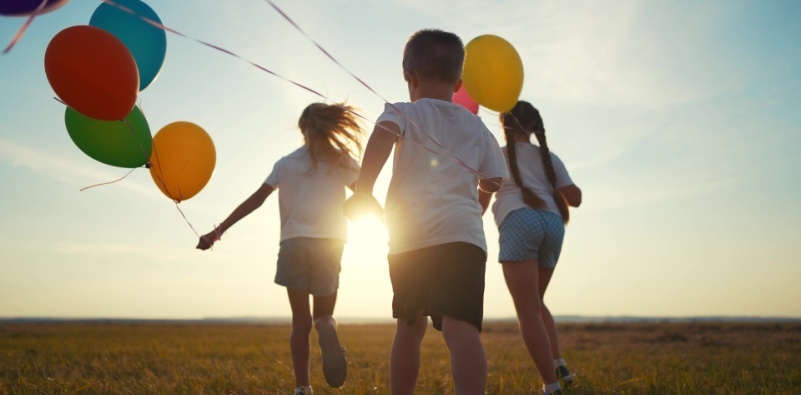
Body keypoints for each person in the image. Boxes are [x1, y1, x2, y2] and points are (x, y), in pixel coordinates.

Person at [343, 29, 509, 395]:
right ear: (459, 82)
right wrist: (476, 199)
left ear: (410, 76)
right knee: (460, 329)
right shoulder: (477, 126)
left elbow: (384, 133)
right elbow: (495, 180)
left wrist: (364, 189)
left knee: (409, 326)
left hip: (409, 241)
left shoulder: (402, 112)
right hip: (462, 241)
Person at [197, 102, 364, 395]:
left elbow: (256, 199)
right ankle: (327, 326)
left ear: (302, 130)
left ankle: (303, 389)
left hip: (293, 244)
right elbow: (366, 192)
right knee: (321, 315)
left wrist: (217, 231)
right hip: (330, 243)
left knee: (299, 322)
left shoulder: (286, 163)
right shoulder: (340, 161)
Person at [478, 101, 582, 395]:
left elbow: (481, 207)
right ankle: (559, 362)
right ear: (535, 127)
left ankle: (551, 387)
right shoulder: (550, 158)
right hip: (552, 224)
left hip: (518, 219)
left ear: (504, 126)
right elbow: (575, 198)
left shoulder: (497, 156)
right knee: (535, 302)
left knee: (527, 310)